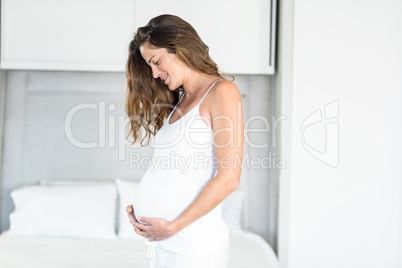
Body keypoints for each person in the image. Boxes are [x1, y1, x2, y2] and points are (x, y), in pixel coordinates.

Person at [124, 14, 244, 268]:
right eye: (150, 67)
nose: (155, 74)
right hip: (164, 244)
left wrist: (173, 226)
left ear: (178, 46)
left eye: (156, 62)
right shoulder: (178, 101)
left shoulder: (221, 92)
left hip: (194, 247)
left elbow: (229, 178)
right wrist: (145, 210)